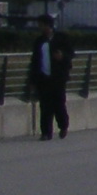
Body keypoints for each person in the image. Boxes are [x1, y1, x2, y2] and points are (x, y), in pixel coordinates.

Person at [30, 12, 74, 141]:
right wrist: (32, 80)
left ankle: (63, 126)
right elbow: (34, 62)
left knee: (59, 104)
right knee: (45, 106)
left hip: (58, 78)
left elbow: (71, 53)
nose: (39, 27)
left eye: (41, 24)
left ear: (48, 25)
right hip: (43, 78)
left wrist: (62, 56)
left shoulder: (61, 38)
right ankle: (46, 132)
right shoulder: (39, 41)